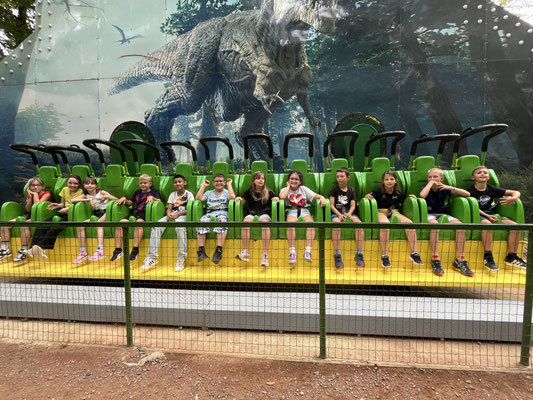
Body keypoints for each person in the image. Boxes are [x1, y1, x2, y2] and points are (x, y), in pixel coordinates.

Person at [467, 165, 526, 271]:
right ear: (473, 177)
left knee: (516, 227)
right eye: (479, 172)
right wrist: (487, 216)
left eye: (485, 172)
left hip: (490, 213)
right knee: (488, 225)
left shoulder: (491, 189)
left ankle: (511, 256)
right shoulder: (470, 190)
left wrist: (513, 198)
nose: (483, 174)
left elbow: (516, 192)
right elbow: (473, 207)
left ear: (489, 177)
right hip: (477, 214)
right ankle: (488, 256)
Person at [419, 168, 472, 277]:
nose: (432, 179)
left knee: (461, 227)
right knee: (435, 225)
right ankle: (435, 259)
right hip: (429, 214)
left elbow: (467, 194)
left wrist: (451, 188)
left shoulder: (444, 188)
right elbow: (422, 195)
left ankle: (460, 260)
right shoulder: (425, 187)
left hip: (442, 213)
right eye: (430, 177)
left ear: (441, 178)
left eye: (435, 177)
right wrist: (430, 184)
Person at [365, 170, 423, 268]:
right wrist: (366, 197)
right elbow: (368, 198)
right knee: (385, 225)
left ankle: (414, 253)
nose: (389, 181)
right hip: (380, 212)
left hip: (394, 211)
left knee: (409, 223)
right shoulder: (377, 192)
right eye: (386, 179)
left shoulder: (398, 192)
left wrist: (412, 197)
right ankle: (385, 255)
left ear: (395, 181)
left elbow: (403, 201)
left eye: (391, 179)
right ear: (383, 181)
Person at [141, 174, 194, 272]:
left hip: (183, 216)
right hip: (172, 215)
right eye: (175, 182)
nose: (177, 183)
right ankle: (152, 257)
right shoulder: (172, 195)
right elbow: (169, 208)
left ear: (184, 183)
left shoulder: (189, 194)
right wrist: (168, 214)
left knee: (180, 228)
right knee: (156, 226)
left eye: (180, 181)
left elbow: (190, 209)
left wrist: (178, 214)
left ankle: (181, 258)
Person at [24, 175, 83, 260]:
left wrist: (68, 209)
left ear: (79, 184)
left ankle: (41, 247)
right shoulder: (65, 189)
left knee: (56, 226)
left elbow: (78, 205)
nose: (72, 185)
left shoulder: (81, 192)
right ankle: (32, 248)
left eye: (75, 183)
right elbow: (63, 204)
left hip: (74, 215)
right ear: (67, 183)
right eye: (70, 183)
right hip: (64, 213)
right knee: (42, 225)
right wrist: (57, 205)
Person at [0, 177, 51, 263]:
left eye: (38, 185)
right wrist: (30, 198)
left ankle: (23, 249)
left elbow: (37, 206)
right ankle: (4, 249)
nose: (35, 187)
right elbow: (28, 209)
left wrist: (35, 194)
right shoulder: (30, 195)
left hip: (41, 216)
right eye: (33, 185)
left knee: (24, 225)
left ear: (43, 187)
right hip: (31, 214)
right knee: (5, 224)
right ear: (29, 187)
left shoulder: (47, 194)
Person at [111, 174, 161, 262]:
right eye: (141, 183)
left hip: (145, 213)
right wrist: (124, 199)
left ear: (150, 184)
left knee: (139, 223)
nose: (143, 185)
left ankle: (135, 249)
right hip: (135, 212)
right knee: (121, 223)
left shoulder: (154, 191)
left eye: (145, 183)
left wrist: (152, 197)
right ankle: (118, 250)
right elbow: (129, 203)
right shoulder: (137, 192)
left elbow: (159, 201)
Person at [279, 170, 326, 265]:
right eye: (292, 179)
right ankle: (292, 252)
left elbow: (315, 196)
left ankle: (308, 251)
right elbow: (282, 197)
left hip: (304, 210)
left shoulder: (303, 189)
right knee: (290, 224)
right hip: (292, 210)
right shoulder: (285, 189)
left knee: (310, 224)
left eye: (296, 179)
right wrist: (288, 186)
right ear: (288, 180)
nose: (294, 181)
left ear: (300, 182)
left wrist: (322, 197)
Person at [235, 171, 279, 267]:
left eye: (262, 178)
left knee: (265, 223)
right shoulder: (249, 192)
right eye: (258, 178)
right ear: (254, 181)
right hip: (252, 213)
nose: (261, 180)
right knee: (246, 223)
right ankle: (245, 252)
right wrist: (238, 199)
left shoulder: (268, 191)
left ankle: (265, 255)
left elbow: (276, 198)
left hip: (264, 214)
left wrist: (277, 199)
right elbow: (242, 202)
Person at [71, 177, 118, 264]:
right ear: (84, 185)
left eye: (92, 183)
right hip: (97, 214)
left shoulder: (101, 192)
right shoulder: (85, 195)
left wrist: (106, 196)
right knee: (80, 225)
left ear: (96, 185)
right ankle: (83, 252)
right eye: (87, 183)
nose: (90, 185)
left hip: (107, 212)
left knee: (98, 224)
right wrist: (89, 200)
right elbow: (72, 200)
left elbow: (116, 200)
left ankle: (100, 251)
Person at [328, 167, 365, 270]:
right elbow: (331, 205)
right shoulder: (334, 190)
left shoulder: (351, 190)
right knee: (336, 224)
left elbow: (353, 205)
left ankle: (359, 253)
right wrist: (339, 215)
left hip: (349, 213)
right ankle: (337, 253)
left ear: (348, 177)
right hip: (337, 214)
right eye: (338, 177)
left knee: (359, 224)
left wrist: (349, 214)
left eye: (342, 176)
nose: (339, 178)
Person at [195, 173, 235, 264]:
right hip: (210, 212)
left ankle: (218, 250)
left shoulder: (226, 192)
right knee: (202, 221)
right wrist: (203, 186)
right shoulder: (209, 193)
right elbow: (198, 198)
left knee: (222, 221)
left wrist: (229, 185)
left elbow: (232, 197)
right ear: (213, 183)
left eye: (221, 181)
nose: (219, 183)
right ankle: (201, 250)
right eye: (216, 181)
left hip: (222, 212)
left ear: (224, 182)